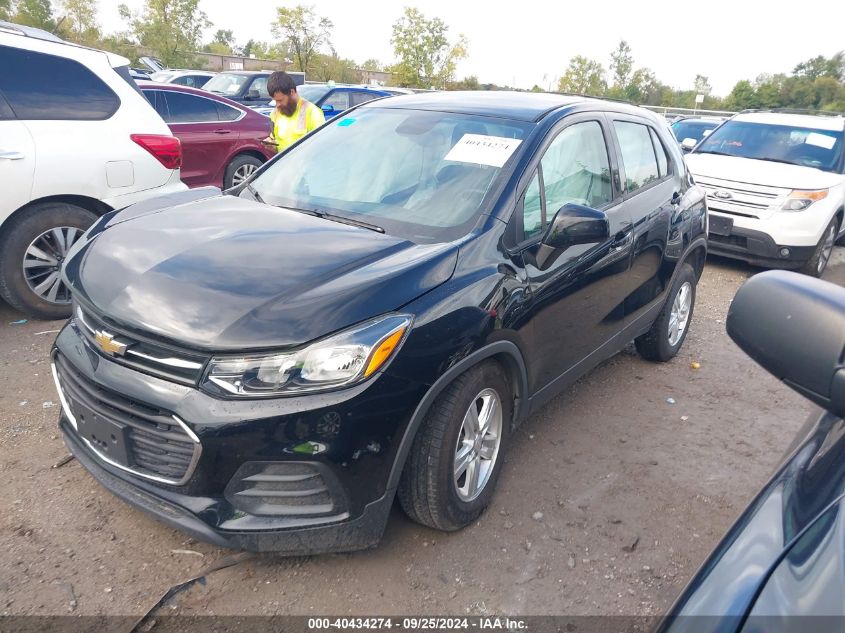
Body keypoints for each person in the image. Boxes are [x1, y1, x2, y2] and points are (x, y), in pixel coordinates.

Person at [262, 71, 325, 153]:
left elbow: (322, 146)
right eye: (275, 101)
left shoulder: (312, 112)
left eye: (280, 100)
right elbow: (275, 140)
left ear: (292, 92)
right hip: (284, 164)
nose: (277, 105)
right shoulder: (275, 114)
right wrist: (272, 145)